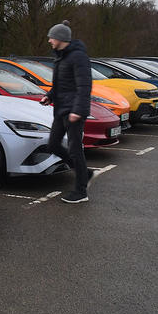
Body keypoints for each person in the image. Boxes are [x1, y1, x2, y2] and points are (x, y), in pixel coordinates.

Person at [39, 20, 94, 203]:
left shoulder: (78, 57)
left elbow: (84, 86)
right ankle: (84, 173)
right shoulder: (61, 57)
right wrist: (50, 96)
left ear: (60, 38)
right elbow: (60, 85)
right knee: (53, 145)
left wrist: (78, 110)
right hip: (61, 110)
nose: (49, 41)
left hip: (73, 112)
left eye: (51, 38)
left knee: (75, 150)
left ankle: (81, 192)